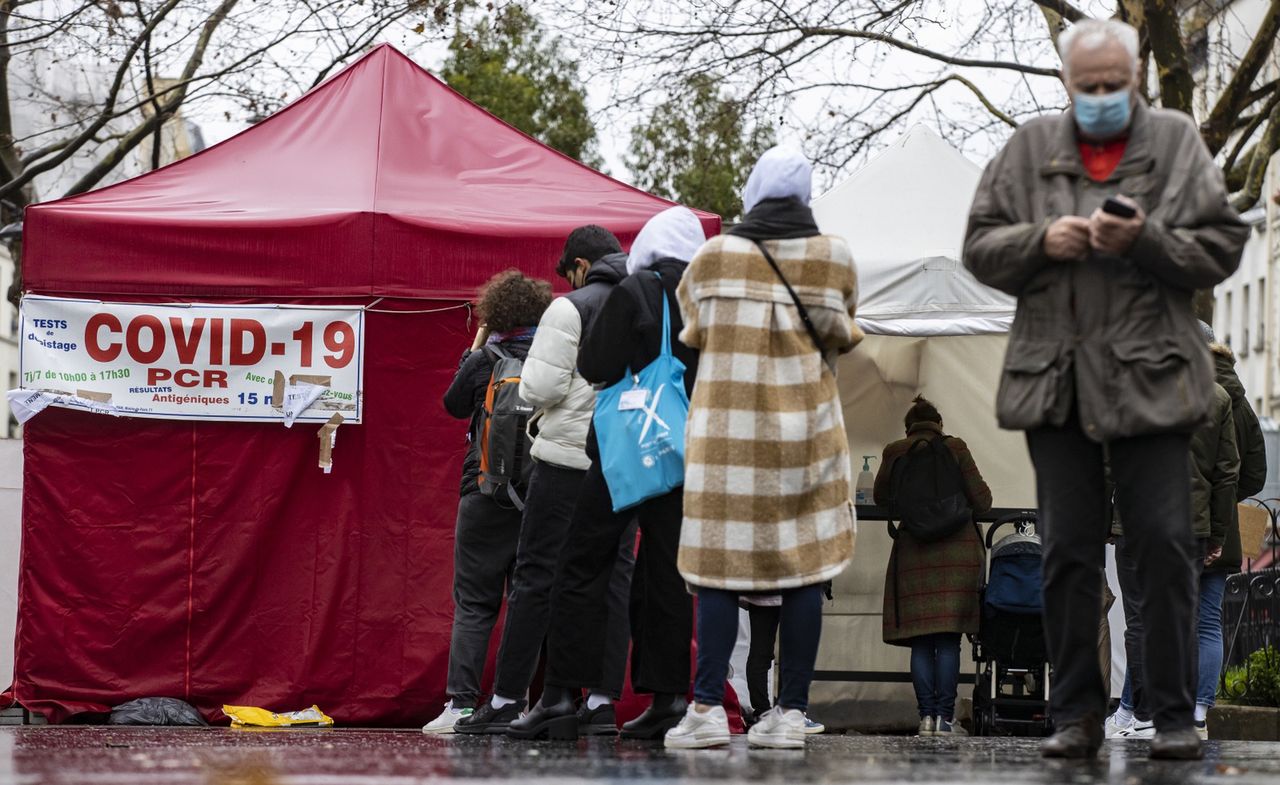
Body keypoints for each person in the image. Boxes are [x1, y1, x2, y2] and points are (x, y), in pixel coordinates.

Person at [963, 17, 1247, 759]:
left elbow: (1220, 246)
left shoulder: (1177, 141)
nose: (1098, 98)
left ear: (1136, 78)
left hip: (1154, 383)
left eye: (1112, 86)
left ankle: (1176, 715)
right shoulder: (1029, 148)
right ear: (1065, 85)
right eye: (1085, 87)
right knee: (1067, 551)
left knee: (1164, 545)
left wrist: (1144, 238)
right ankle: (1076, 715)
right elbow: (979, 246)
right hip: (1056, 382)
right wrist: (1041, 241)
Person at [664, 146, 861, 750]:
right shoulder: (834, 257)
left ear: (751, 191)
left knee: (718, 569)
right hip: (807, 433)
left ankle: (703, 711)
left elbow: (691, 327)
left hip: (727, 435)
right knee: (805, 569)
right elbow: (844, 331)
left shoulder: (714, 257)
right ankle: (792, 714)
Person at [509, 206, 706, 741]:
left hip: (625, 447)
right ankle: (667, 698)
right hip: (681, 449)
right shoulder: (707, 298)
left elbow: (595, 364)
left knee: (583, 562)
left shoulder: (637, 289)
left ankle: (559, 696)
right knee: (666, 571)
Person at [455, 227, 637, 734]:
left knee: (537, 578)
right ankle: (599, 702)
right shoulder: (646, 298)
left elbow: (539, 387)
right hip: (623, 461)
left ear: (580, 265)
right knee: (610, 580)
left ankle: (510, 697)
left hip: (566, 459)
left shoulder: (569, 307)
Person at [423, 270, 552, 733]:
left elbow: (454, 405)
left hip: (480, 493)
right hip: (536, 497)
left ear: (495, 311)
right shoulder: (552, 357)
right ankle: (513, 702)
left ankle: (459, 704)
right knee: (526, 600)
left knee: (475, 605)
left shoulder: (485, 358)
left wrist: (469, 361)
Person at [1109, 353, 1238, 739]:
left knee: (1139, 621)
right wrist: (1216, 532)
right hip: (1190, 525)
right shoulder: (1216, 397)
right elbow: (1227, 471)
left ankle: (1145, 713)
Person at [874, 395, 992, 737]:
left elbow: (882, 498)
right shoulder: (955, 447)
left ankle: (925, 717)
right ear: (939, 424)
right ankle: (944, 720)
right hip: (957, 556)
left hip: (914, 553)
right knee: (949, 642)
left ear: (908, 427)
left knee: (922, 643)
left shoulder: (895, 450)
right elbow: (983, 500)